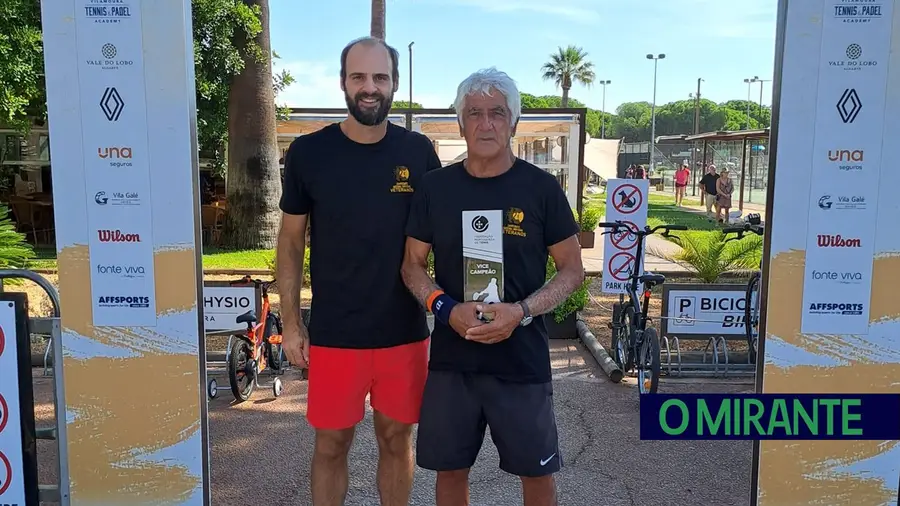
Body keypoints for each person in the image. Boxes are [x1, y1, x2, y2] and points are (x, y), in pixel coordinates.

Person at [400, 67, 585, 506]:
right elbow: (411, 265)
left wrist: (520, 312)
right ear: (460, 123)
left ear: (514, 123)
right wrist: (445, 308)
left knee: (537, 477)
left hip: (521, 361)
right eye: (475, 113)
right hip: (453, 360)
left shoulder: (541, 189)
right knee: (450, 474)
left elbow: (572, 270)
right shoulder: (434, 188)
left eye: (497, 114)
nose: (486, 124)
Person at [276, 36, 442, 506]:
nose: (370, 87)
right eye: (359, 77)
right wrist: (291, 323)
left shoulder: (419, 153)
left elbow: (442, 238)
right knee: (331, 445)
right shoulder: (309, 154)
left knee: (396, 441)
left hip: (403, 332)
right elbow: (290, 243)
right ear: (343, 82)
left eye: (380, 78)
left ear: (394, 84)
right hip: (334, 335)